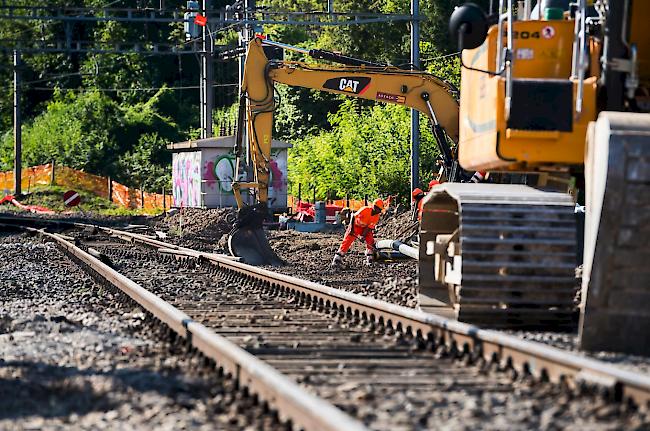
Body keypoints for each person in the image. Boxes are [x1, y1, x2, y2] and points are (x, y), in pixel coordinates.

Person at [331, 198, 384, 268]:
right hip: (355, 225)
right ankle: (337, 259)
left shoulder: (376, 217)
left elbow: (369, 227)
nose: (379, 212)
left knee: (370, 239)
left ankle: (369, 259)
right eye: (379, 210)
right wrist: (351, 229)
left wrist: (363, 236)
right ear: (375, 207)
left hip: (364, 228)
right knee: (348, 240)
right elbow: (353, 217)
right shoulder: (365, 210)